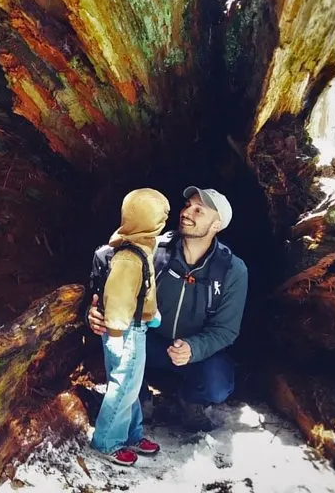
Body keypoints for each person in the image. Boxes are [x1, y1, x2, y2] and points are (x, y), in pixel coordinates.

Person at [87, 186, 249, 432]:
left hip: (193, 352)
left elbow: (226, 330)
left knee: (218, 383)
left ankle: (191, 401)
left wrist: (193, 348)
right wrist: (96, 313)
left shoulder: (231, 270)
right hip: (147, 343)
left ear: (217, 225)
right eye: (187, 206)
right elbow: (113, 285)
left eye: (199, 210)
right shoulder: (153, 249)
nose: (187, 213)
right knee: (115, 338)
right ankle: (138, 400)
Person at [89, 188, 170, 466]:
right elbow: (120, 297)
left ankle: (131, 434)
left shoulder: (143, 250)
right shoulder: (128, 257)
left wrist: (151, 314)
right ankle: (107, 441)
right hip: (125, 332)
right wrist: (117, 331)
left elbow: (143, 291)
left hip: (136, 327)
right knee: (122, 386)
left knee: (131, 387)